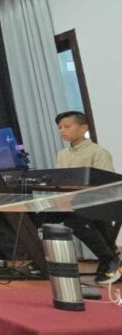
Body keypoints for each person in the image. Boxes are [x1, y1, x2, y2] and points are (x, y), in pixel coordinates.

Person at [54, 111, 119, 285]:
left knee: (75, 220)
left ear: (83, 128)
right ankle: (40, 261)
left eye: (67, 126)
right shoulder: (62, 154)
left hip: (97, 202)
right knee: (40, 217)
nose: (62, 131)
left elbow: (106, 184)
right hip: (71, 202)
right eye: (60, 127)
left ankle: (109, 259)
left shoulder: (98, 152)